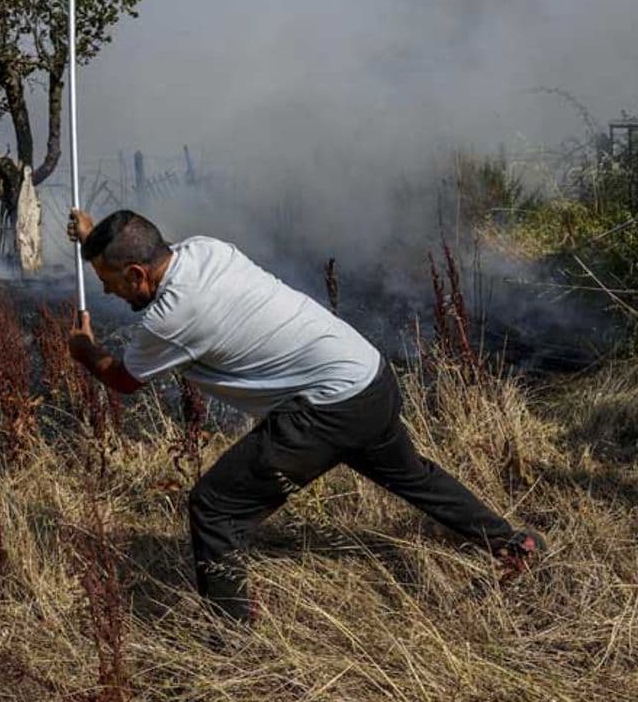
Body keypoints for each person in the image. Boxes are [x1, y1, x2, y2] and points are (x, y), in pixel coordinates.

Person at [66, 208, 544, 623]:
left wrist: (84, 350)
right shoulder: (204, 250)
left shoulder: (169, 317)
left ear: (136, 274)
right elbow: (136, 246)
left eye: (111, 285)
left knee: (216, 507)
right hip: (367, 375)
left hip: (328, 407)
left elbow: (125, 380)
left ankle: (229, 641)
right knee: (412, 476)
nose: (109, 295)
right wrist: (92, 239)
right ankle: (512, 543)